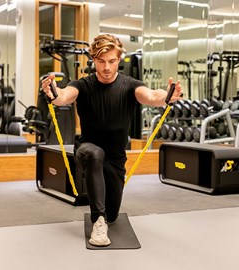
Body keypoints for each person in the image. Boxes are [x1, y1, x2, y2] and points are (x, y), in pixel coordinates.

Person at [41, 33, 182, 247]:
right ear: (94, 60)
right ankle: (98, 221)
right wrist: (53, 92)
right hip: (87, 151)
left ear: (119, 60)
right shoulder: (83, 84)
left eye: (112, 61)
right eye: (101, 61)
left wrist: (167, 96)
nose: (106, 67)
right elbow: (63, 96)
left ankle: (105, 216)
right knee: (95, 154)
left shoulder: (130, 85)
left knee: (113, 214)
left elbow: (152, 96)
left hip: (115, 160)